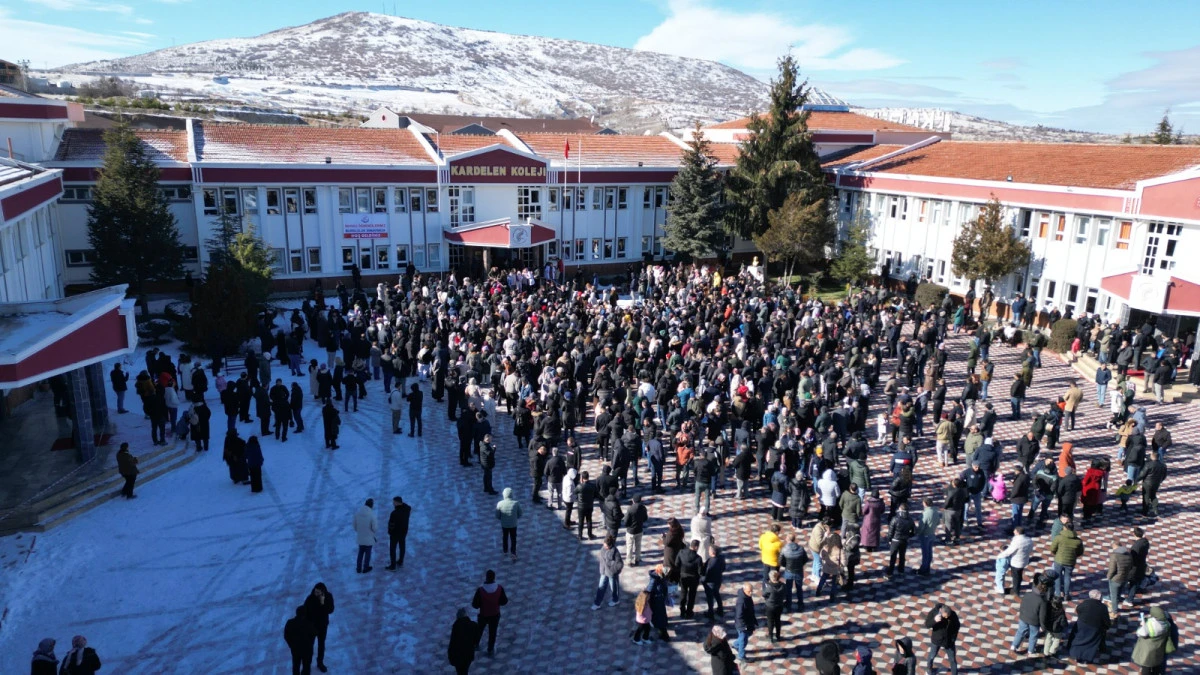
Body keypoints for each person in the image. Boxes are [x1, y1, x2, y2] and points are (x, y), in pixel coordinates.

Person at [1067, 590, 1111, 664]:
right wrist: (1107, 626)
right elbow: (1106, 619)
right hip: (1095, 627)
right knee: (1091, 643)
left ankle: (1078, 656)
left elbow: (1078, 609)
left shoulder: (1085, 603)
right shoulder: (1103, 607)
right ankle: (1087, 658)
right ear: (1099, 597)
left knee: (1080, 639)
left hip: (1082, 625)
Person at [472, 570, 509, 656]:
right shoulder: (499, 588)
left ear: (486, 577)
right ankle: (490, 648)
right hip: (495, 615)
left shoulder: (480, 590)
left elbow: (475, 605)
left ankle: (476, 644)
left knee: (479, 630)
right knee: (493, 632)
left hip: (483, 615)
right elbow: (504, 601)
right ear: (494, 577)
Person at [1132, 606, 1176, 675]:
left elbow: (1140, 633)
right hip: (1158, 649)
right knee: (1156, 666)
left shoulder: (1151, 625)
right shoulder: (1167, 624)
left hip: (1148, 651)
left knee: (1146, 668)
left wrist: (1143, 625)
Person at [303, 583, 335, 673]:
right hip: (312, 627)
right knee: (309, 647)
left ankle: (320, 663)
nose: (315, 593)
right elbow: (305, 611)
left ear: (322, 592)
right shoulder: (310, 598)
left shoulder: (328, 597)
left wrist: (322, 603)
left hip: (322, 626)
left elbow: (331, 609)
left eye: (318, 592)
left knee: (321, 645)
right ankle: (307, 666)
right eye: (315, 591)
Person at [1049, 520, 1084, 600]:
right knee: (1067, 577)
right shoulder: (1078, 541)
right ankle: (1066, 594)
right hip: (1070, 561)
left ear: (1064, 528)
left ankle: (1058, 594)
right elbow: (1080, 552)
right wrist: (1074, 556)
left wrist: (1056, 554)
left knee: (1057, 577)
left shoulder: (1059, 538)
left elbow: (1052, 548)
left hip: (1059, 560)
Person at [1012, 582, 1048, 655]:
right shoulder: (1042, 601)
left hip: (1024, 617)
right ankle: (1030, 650)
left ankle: (1014, 646)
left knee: (1020, 632)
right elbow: (1042, 615)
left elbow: (1022, 606)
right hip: (1034, 621)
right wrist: (1043, 626)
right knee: (1033, 635)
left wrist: (1021, 615)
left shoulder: (1027, 594)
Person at [924, 602, 960, 675]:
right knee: (932, 655)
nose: (947, 618)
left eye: (948, 616)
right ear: (941, 611)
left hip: (949, 641)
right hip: (937, 640)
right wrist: (934, 620)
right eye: (945, 616)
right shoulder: (933, 613)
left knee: (952, 659)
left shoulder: (952, 614)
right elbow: (927, 624)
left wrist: (953, 638)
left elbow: (957, 626)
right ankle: (929, 669)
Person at [997, 526, 1032, 595]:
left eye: (1015, 531)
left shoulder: (1017, 541)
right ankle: (1017, 587)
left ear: (1018, 532)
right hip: (1024, 561)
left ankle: (1015, 591)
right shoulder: (1029, 540)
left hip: (1016, 562)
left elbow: (1009, 551)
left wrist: (1000, 556)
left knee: (1015, 576)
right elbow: (1031, 549)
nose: (1013, 532)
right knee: (1019, 574)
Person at [591, 535, 624, 609]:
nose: (604, 546)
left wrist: (613, 570)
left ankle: (615, 600)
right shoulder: (603, 549)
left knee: (614, 588)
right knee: (601, 587)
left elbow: (620, 564)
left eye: (605, 545)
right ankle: (597, 603)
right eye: (604, 544)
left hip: (611, 573)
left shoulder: (615, 551)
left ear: (610, 545)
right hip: (603, 572)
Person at [447, 608, 480, 675]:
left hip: (457, 655)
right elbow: (476, 640)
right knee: (465, 670)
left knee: (460, 672)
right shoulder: (474, 625)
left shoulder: (456, 626)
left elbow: (452, 643)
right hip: (468, 654)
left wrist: (450, 656)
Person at [676, 539, 703, 618]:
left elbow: (676, 564)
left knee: (683, 594)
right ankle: (689, 612)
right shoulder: (698, 558)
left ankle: (682, 611)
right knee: (692, 596)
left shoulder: (681, 552)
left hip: (683, 577)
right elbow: (700, 572)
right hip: (693, 580)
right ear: (696, 547)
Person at [284, 606, 315, 675]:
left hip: (295, 649)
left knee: (296, 666)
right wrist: (310, 644)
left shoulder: (290, 623)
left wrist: (291, 645)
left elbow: (286, 636)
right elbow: (314, 634)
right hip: (307, 649)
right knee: (306, 667)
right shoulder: (309, 623)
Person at [887, 504, 916, 576]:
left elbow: (891, 531)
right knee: (902, 556)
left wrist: (889, 540)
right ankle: (901, 570)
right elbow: (914, 531)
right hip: (904, 541)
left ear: (900, 509)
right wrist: (908, 536)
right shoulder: (910, 519)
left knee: (893, 557)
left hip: (895, 540)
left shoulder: (895, 519)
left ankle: (890, 572)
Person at [733, 581, 757, 664]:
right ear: (744, 590)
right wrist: (744, 626)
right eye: (749, 591)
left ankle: (736, 645)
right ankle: (741, 656)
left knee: (744, 638)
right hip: (743, 625)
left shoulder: (746, 596)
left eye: (751, 591)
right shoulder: (741, 601)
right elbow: (739, 615)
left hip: (747, 622)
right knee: (744, 640)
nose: (750, 593)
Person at [496, 487, 522, 561]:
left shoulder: (500, 503)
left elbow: (497, 515)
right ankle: (513, 552)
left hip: (504, 525)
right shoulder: (516, 503)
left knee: (505, 537)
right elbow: (520, 513)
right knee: (513, 538)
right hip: (513, 524)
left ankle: (505, 550)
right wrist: (515, 518)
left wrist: (502, 519)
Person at [386, 496, 411, 570]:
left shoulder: (394, 513)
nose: (393, 504)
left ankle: (393, 566)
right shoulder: (407, 510)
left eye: (394, 502)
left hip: (395, 534)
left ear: (397, 502)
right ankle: (400, 561)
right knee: (402, 547)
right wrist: (402, 503)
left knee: (392, 549)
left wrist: (390, 532)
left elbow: (391, 525)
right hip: (404, 532)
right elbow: (408, 506)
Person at [702, 543, 726, 619]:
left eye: (709, 550)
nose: (708, 551)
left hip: (710, 583)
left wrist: (703, 581)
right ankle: (720, 609)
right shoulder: (721, 558)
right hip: (718, 580)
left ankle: (710, 613)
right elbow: (723, 568)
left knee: (710, 598)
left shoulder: (711, 562)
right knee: (717, 594)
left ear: (712, 552)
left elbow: (706, 574)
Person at [623, 494, 648, 566]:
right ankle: (637, 559)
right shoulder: (643, 508)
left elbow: (626, 521)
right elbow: (645, 518)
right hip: (639, 529)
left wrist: (628, 526)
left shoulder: (630, 509)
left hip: (630, 530)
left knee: (629, 546)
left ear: (633, 500)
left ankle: (629, 561)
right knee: (638, 545)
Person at [353, 498, 376, 573]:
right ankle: (365, 568)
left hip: (360, 537)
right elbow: (375, 528)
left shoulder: (357, 514)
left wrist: (360, 531)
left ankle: (358, 568)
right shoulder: (372, 515)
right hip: (369, 538)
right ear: (371, 506)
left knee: (360, 552)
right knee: (368, 553)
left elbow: (354, 526)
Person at [762, 569, 785, 643]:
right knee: (778, 620)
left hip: (770, 606)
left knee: (770, 621)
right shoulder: (783, 586)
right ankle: (778, 636)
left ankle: (770, 636)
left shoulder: (769, 587)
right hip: (779, 605)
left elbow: (764, 594)